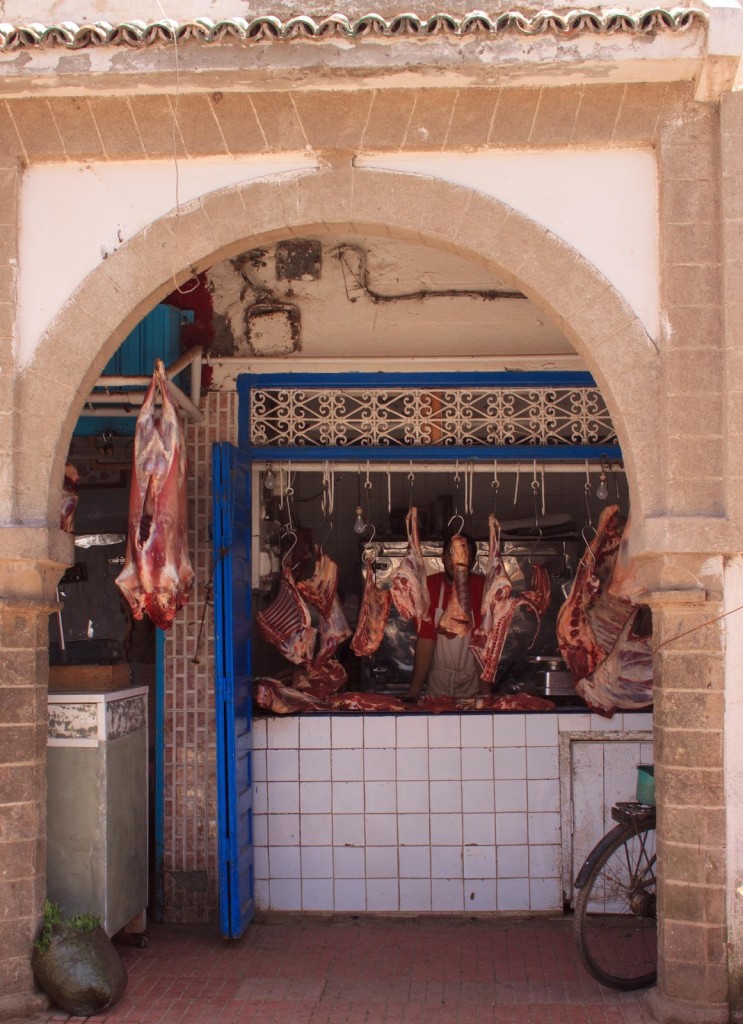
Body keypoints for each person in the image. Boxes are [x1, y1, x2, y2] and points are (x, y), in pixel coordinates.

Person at [405, 532, 489, 701]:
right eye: (452, 554)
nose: (457, 561)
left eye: (465, 555)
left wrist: (486, 696)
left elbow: (483, 646)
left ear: (472, 562)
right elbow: (426, 641)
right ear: (442, 558)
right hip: (438, 687)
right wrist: (413, 694)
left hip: (471, 686)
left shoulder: (482, 587)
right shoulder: (429, 586)